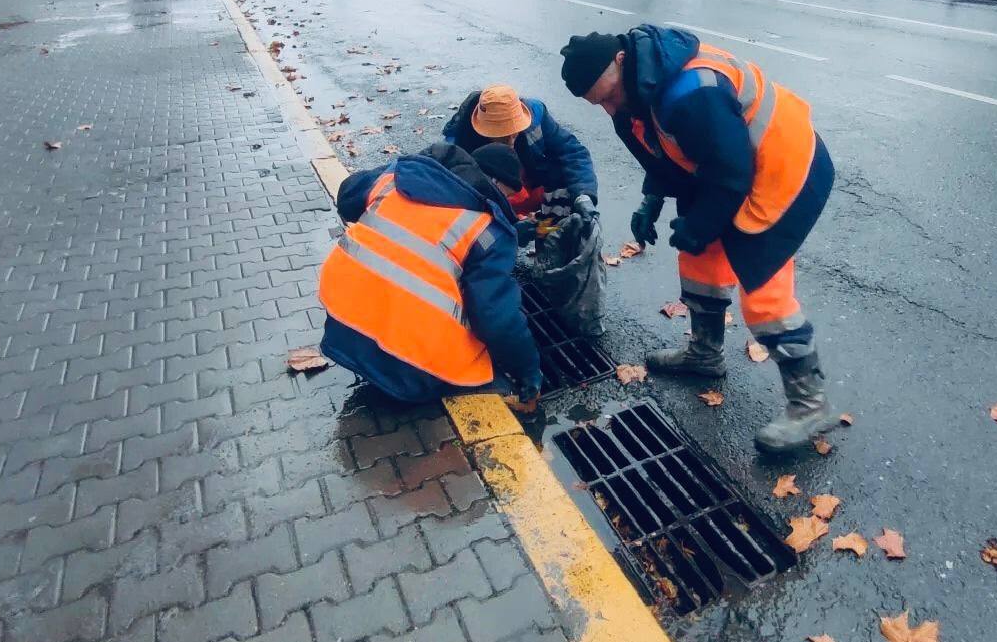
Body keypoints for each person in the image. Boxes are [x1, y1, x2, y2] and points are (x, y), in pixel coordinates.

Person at [559, 25, 836, 453]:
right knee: (698, 256)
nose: (610, 107)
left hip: (784, 166)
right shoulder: (630, 95)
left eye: (609, 95)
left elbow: (731, 173)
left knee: (762, 288)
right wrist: (652, 200)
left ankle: (810, 404)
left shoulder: (691, 90)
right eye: (599, 103)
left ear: (621, 61)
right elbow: (664, 154)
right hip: (725, 163)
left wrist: (701, 223)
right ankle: (705, 354)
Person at [318, 141, 541, 407]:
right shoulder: (487, 230)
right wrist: (528, 372)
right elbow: (495, 318)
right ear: (495, 184)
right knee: (485, 358)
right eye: (508, 195)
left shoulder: (397, 179)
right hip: (408, 367)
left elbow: (348, 196)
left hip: (342, 324)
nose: (508, 203)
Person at [443, 84, 598, 225]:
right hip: (495, 200)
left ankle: (554, 232)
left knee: (563, 175)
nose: (511, 140)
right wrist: (510, 225)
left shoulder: (536, 115)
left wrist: (584, 195)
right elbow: (460, 205)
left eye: (514, 132)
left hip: (531, 187)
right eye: (503, 135)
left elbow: (573, 152)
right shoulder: (458, 147)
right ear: (482, 130)